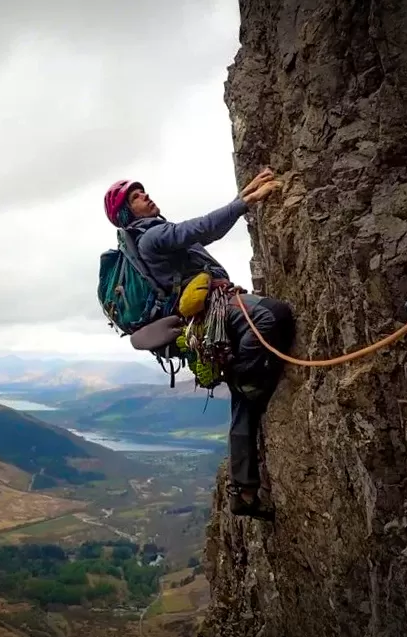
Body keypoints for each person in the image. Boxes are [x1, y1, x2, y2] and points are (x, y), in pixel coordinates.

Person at [102, 169, 295, 520]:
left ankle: (244, 490)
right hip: (214, 311)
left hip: (210, 316)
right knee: (270, 315)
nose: (145, 196)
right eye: (135, 197)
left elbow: (197, 231)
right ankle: (244, 377)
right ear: (128, 213)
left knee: (244, 406)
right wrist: (244, 203)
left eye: (144, 191)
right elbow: (202, 228)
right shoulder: (151, 238)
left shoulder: (153, 238)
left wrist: (245, 194)